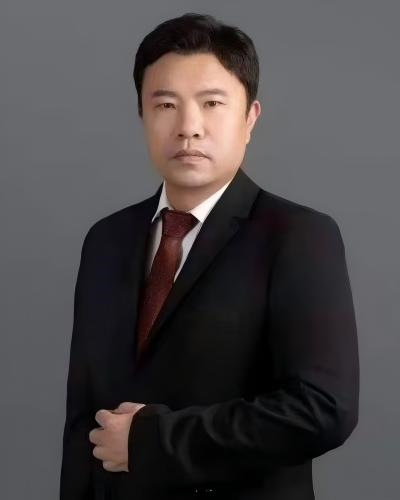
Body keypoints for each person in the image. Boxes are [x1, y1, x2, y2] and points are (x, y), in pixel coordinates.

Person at [59, 12, 359, 500]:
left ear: (250, 118)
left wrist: (152, 442)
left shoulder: (298, 236)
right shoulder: (105, 240)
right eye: (165, 105)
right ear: (141, 115)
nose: (188, 128)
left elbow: (323, 409)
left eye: (212, 103)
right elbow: (82, 423)